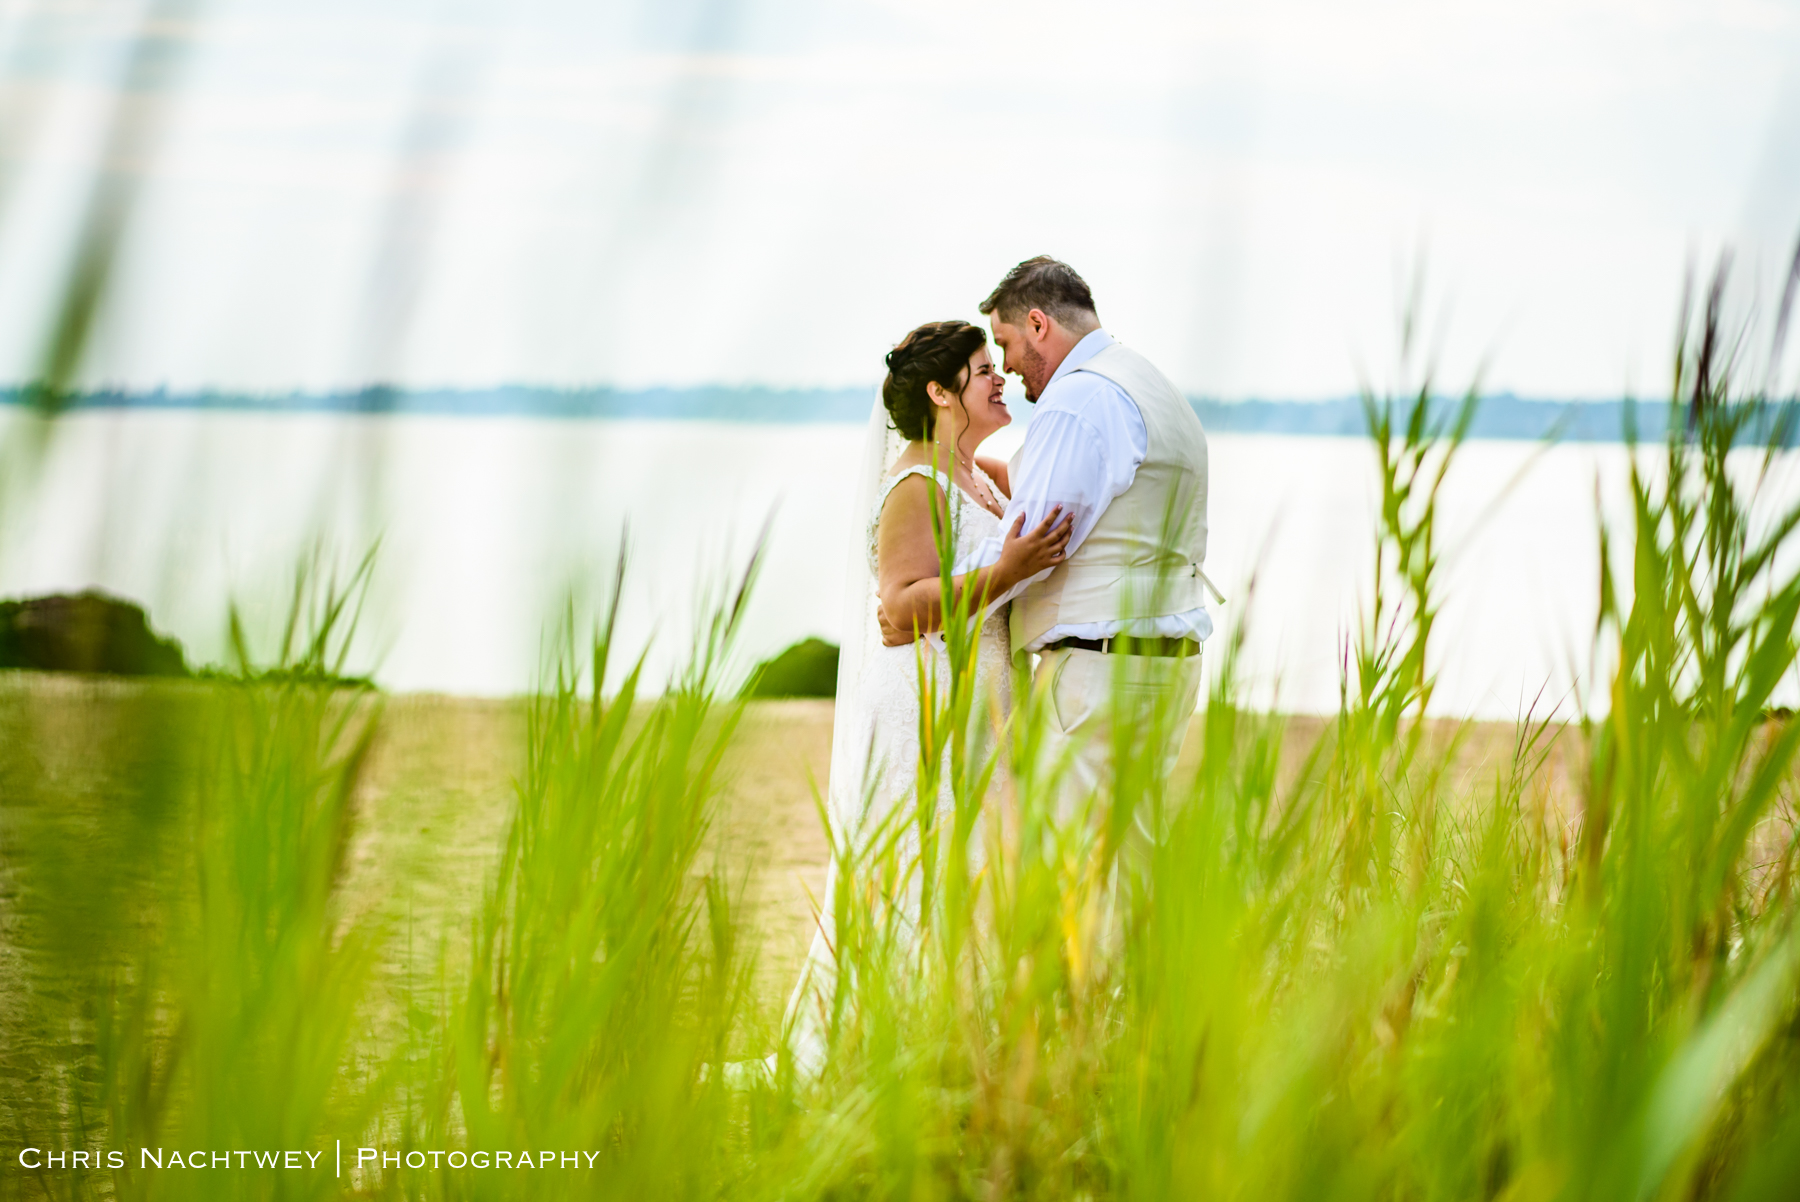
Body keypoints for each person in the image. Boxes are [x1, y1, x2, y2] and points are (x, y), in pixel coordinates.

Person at [768, 318, 1073, 1081]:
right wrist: (1007, 574)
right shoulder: (913, 486)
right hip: (925, 700)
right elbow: (901, 609)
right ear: (939, 393)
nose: (998, 378)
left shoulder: (983, 475)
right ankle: (895, 1047)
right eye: (980, 371)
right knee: (922, 862)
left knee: (978, 865)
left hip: (984, 702)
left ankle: (964, 1043)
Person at [881, 257, 1217, 828]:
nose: (1007, 371)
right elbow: (1025, 500)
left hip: (1101, 673)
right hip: (1163, 664)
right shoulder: (1143, 381)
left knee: (1072, 872)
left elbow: (1031, 544)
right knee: (1130, 869)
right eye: (987, 364)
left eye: (1004, 347)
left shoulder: (1080, 399)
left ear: (1039, 325)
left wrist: (927, 607)